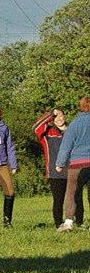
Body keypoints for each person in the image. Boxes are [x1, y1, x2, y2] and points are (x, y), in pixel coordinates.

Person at [56, 96, 90, 232]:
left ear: (80, 107)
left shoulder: (74, 124)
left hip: (77, 163)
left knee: (71, 192)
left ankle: (69, 221)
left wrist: (60, 163)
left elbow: (66, 146)